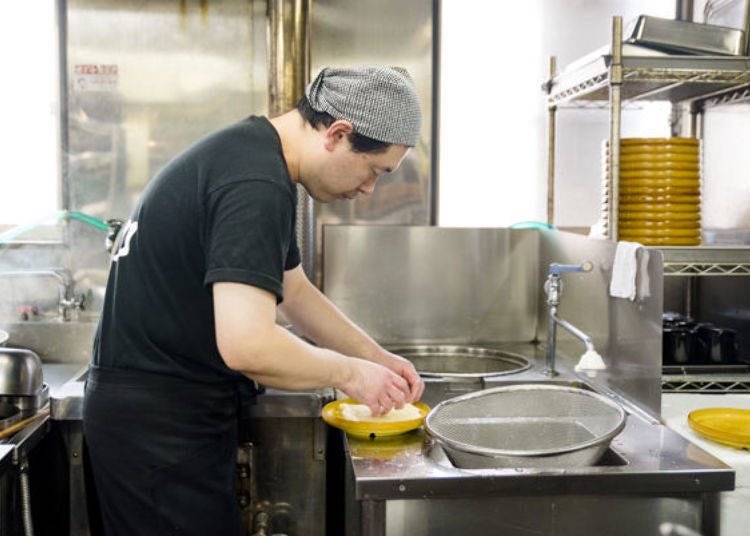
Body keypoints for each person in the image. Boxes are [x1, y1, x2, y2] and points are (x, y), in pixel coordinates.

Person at [83, 65, 425, 535]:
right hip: (158, 430)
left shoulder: (256, 158)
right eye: (373, 170)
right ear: (338, 134)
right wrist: (349, 374)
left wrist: (375, 357)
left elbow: (294, 290)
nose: (370, 189)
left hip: (160, 414)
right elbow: (247, 345)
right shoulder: (255, 183)